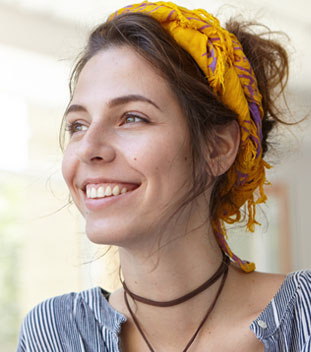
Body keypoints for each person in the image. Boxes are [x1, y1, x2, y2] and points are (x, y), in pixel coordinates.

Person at [17, 1, 311, 351]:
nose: (87, 148)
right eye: (78, 125)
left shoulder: (303, 318)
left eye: (132, 117)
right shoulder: (53, 334)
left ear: (217, 148)